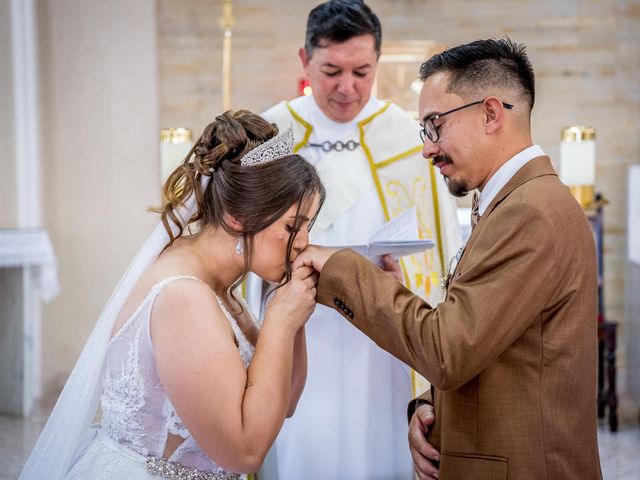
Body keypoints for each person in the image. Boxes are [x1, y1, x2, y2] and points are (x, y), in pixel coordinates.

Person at [295, 38, 603, 479]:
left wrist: (341, 267)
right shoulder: (509, 202)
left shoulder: (531, 212)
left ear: (491, 113)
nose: (427, 148)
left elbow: (448, 349)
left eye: (434, 125)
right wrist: (431, 408)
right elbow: (488, 341)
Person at [20, 110, 326, 479]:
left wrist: (293, 316)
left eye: (309, 226)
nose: (304, 243)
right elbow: (243, 453)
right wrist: (278, 321)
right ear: (236, 217)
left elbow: (283, 403)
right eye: (293, 226)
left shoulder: (218, 284)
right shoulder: (183, 298)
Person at [249, 1, 461, 479]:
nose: (348, 88)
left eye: (362, 71)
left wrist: (405, 279)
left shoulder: (409, 140)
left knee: (376, 444)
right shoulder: (271, 136)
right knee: (302, 443)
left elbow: (442, 246)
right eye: (331, 71)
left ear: (378, 64)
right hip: (299, 332)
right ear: (305, 61)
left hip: (381, 335)